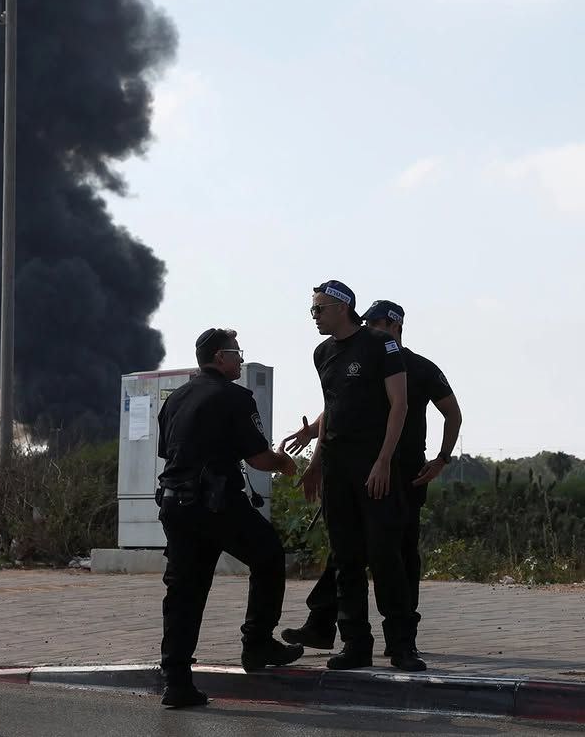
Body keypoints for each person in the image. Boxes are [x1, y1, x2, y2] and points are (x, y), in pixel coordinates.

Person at [281, 300, 462, 659]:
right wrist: (315, 450)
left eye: (378, 323)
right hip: (357, 469)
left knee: (396, 555)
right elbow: (337, 407)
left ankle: (402, 638)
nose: (371, 328)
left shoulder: (419, 367)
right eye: (368, 322)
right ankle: (328, 626)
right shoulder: (352, 354)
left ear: (396, 326)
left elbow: (452, 414)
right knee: (346, 554)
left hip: (405, 472)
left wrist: (442, 459)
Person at [156, 327, 301, 708]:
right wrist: (285, 464)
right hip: (215, 503)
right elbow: (259, 458)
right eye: (237, 353)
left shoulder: (176, 398)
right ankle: (257, 643)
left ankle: (176, 681)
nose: (241, 360)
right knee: (269, 555)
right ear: (220, 358)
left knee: (184, 591)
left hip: (174, 504)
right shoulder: (236, 397)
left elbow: (169, 453)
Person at [297, 281, 423, 672]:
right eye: (312, 310)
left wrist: (384, 461)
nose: (314, 316)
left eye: (319, 309)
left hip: (374, 468)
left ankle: (401, 645)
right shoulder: (322, 353)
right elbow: (330, 409)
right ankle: (355, 644)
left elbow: (399, 405)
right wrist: (315, 463)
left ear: (342, 307)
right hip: (337, 470)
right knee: (346, 559)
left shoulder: (379, 345)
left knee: (385, 556)